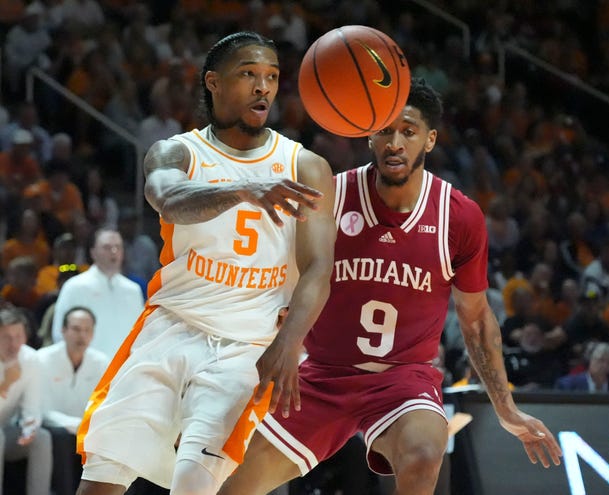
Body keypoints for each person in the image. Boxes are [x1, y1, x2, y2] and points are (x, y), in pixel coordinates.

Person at [217, 78, 562, 495]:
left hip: (404, 381)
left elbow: (475, 319)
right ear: (369, 136)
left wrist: (505, 408)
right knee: (230, 485)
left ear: (429, 140)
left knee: (423, 452)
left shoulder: (459, 217)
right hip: (322, 375)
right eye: (384, 130)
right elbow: (279, 281)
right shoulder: (330, 197)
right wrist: (273, 346)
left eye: (409, 131)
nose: (395, 142)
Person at [75, 31, 335, 495]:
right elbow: (170, 200)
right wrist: (243, 188)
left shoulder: (305, 166)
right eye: (249, 74)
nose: (264, 88)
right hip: (170, 327)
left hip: (247, 344)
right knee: (102, 476)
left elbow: (318, 267)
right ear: (213, 83)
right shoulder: (177, 152)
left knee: (195, 483)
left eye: (272, 77)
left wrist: (289, 344)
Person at [37, 306, 109, 495]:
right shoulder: (42, 359)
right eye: (76, 329)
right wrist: (75, 425)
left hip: (86, 430)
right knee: (62, 438)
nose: (82, 336)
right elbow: (40, 409)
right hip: (52, 427)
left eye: (87, 330)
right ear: (63, 330)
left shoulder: (101, 362)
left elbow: (105, 405)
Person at [51, 228, 144, 358]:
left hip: (125, 369)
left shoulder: (133, 290)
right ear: (93, 252)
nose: (114, 252)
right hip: (89, 368)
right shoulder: (75, 286)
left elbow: (140, 334)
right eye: (107, 247)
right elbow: (59, 333)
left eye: (118, 247)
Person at [0, 305, 53, 495]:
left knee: (42, 437)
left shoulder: (30, 358)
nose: (14, 344)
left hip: (6, 432)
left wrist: (30, 427)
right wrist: (5, 384)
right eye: (7, 337)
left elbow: (32, 406)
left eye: (18, 337)